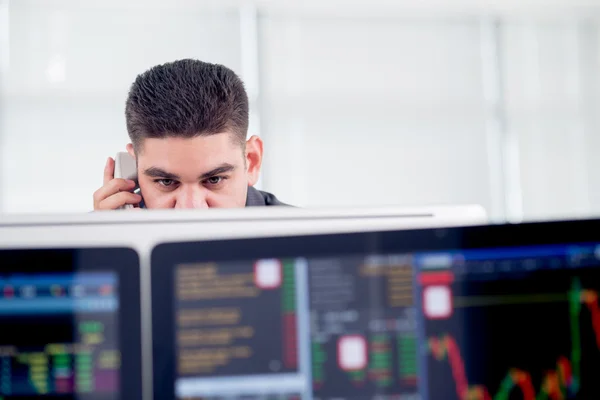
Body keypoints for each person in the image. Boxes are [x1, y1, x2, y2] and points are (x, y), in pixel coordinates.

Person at [93, 59, 288, 210]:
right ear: (134, 166)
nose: (191, 208)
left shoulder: (309, 245)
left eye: (214, 180)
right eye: (166, 182)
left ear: (252, 161)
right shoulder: (93, 241)